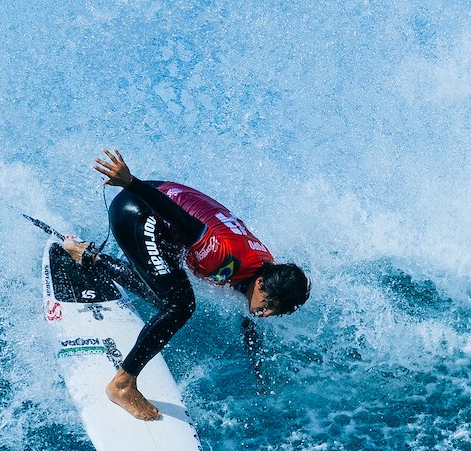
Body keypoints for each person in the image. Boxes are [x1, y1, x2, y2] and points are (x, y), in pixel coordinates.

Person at [64, 148, 309, 421]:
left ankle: (86, 256)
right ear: (261, 283)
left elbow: (248, 314)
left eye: (277, 311)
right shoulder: (224, 257)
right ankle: (122, 384)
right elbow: (182, 221)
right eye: (269, 304)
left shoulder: (265, 268)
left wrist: (256, 365)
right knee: (180, 305)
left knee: (166, 297)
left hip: (162, 211)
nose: (267, 313)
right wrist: (131, 182)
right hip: (140, 209)